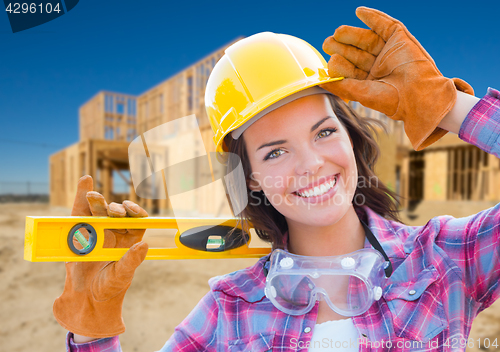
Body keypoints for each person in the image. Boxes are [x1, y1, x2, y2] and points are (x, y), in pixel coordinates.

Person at [54, 7, 500, 351]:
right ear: (249, 179)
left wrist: (445, 106)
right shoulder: (230, 310)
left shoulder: (443, 259)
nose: (312, 164)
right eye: (276, 151)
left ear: (349, 136)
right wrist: (93, 330)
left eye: (324, 132)